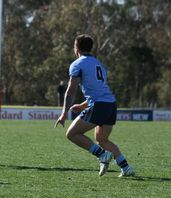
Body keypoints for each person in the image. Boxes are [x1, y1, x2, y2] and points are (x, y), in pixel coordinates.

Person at [55, 34, 134, 177]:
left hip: (98, 105)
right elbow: (99, 89)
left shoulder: (77, 64)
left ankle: (102, 155)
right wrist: (83, 105)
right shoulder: (99, 64)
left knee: (72, 134)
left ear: (76, 48)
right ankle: (126, 167)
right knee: (102, 139)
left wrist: (63, 114)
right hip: (110, 105)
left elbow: (70, 91)